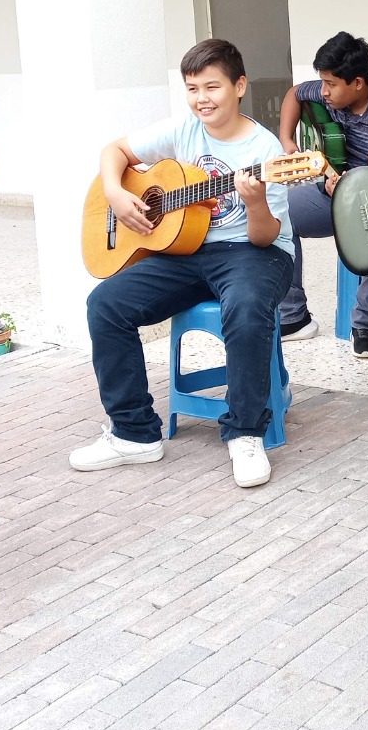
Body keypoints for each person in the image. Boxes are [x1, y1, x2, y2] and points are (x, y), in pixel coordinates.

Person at [73, 38, 293, 488]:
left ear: (239, 86)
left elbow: (265, 235)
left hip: (256, 252)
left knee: (246, 311)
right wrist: (116, 192)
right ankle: (134, 434)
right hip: (188, 250)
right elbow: (115, 151)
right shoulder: (183, 129)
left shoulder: (266, 149)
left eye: (212, 87)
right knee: (105, 305)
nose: (201, 99)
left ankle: (246, 432)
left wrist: (254, 202)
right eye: (192, 89)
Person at [275, 31, 368, 357]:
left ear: (358, 83)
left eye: (331, 84)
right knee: (279, 214)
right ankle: (293, 316)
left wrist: (353, 184)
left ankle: (363, 324)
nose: (324, 91)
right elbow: (294, 93)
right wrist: (286, 139)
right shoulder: (329, 94)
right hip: (332, 191)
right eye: (322, 82)